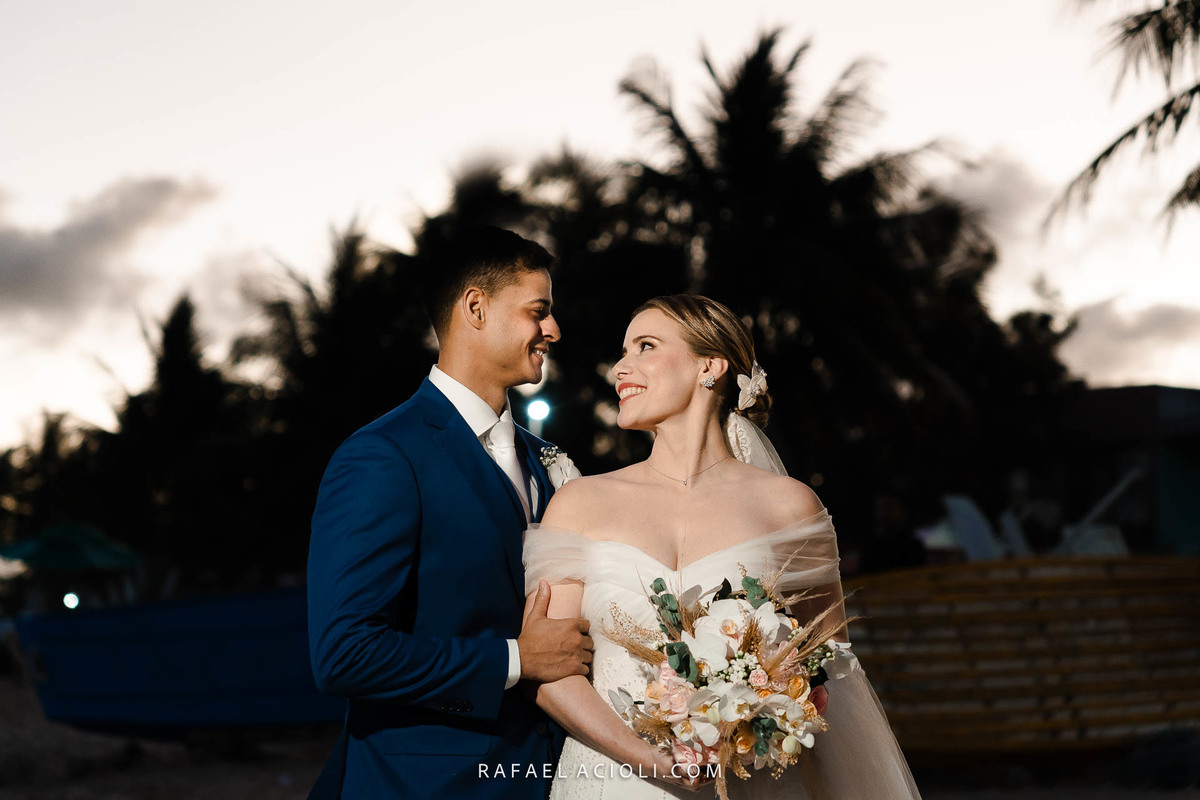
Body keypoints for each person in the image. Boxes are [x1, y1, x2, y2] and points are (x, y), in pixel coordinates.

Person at [523, 294, 922, 799]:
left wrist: (766, 708)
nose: (620, 368)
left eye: (645, 346)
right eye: (623, 352)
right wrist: (654, 762)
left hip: (753, 781)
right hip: (614, 778)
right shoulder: (580, 503)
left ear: (709, 366)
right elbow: (551, 674)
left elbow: (832, 667)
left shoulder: (790, 507)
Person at [306, 226, 593, 799]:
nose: (554, 330)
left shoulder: (549, 462)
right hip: (429, 784)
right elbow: (344, 653)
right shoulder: (384, 456)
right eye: (538, 312)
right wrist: (515, 659)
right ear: (476, 308)